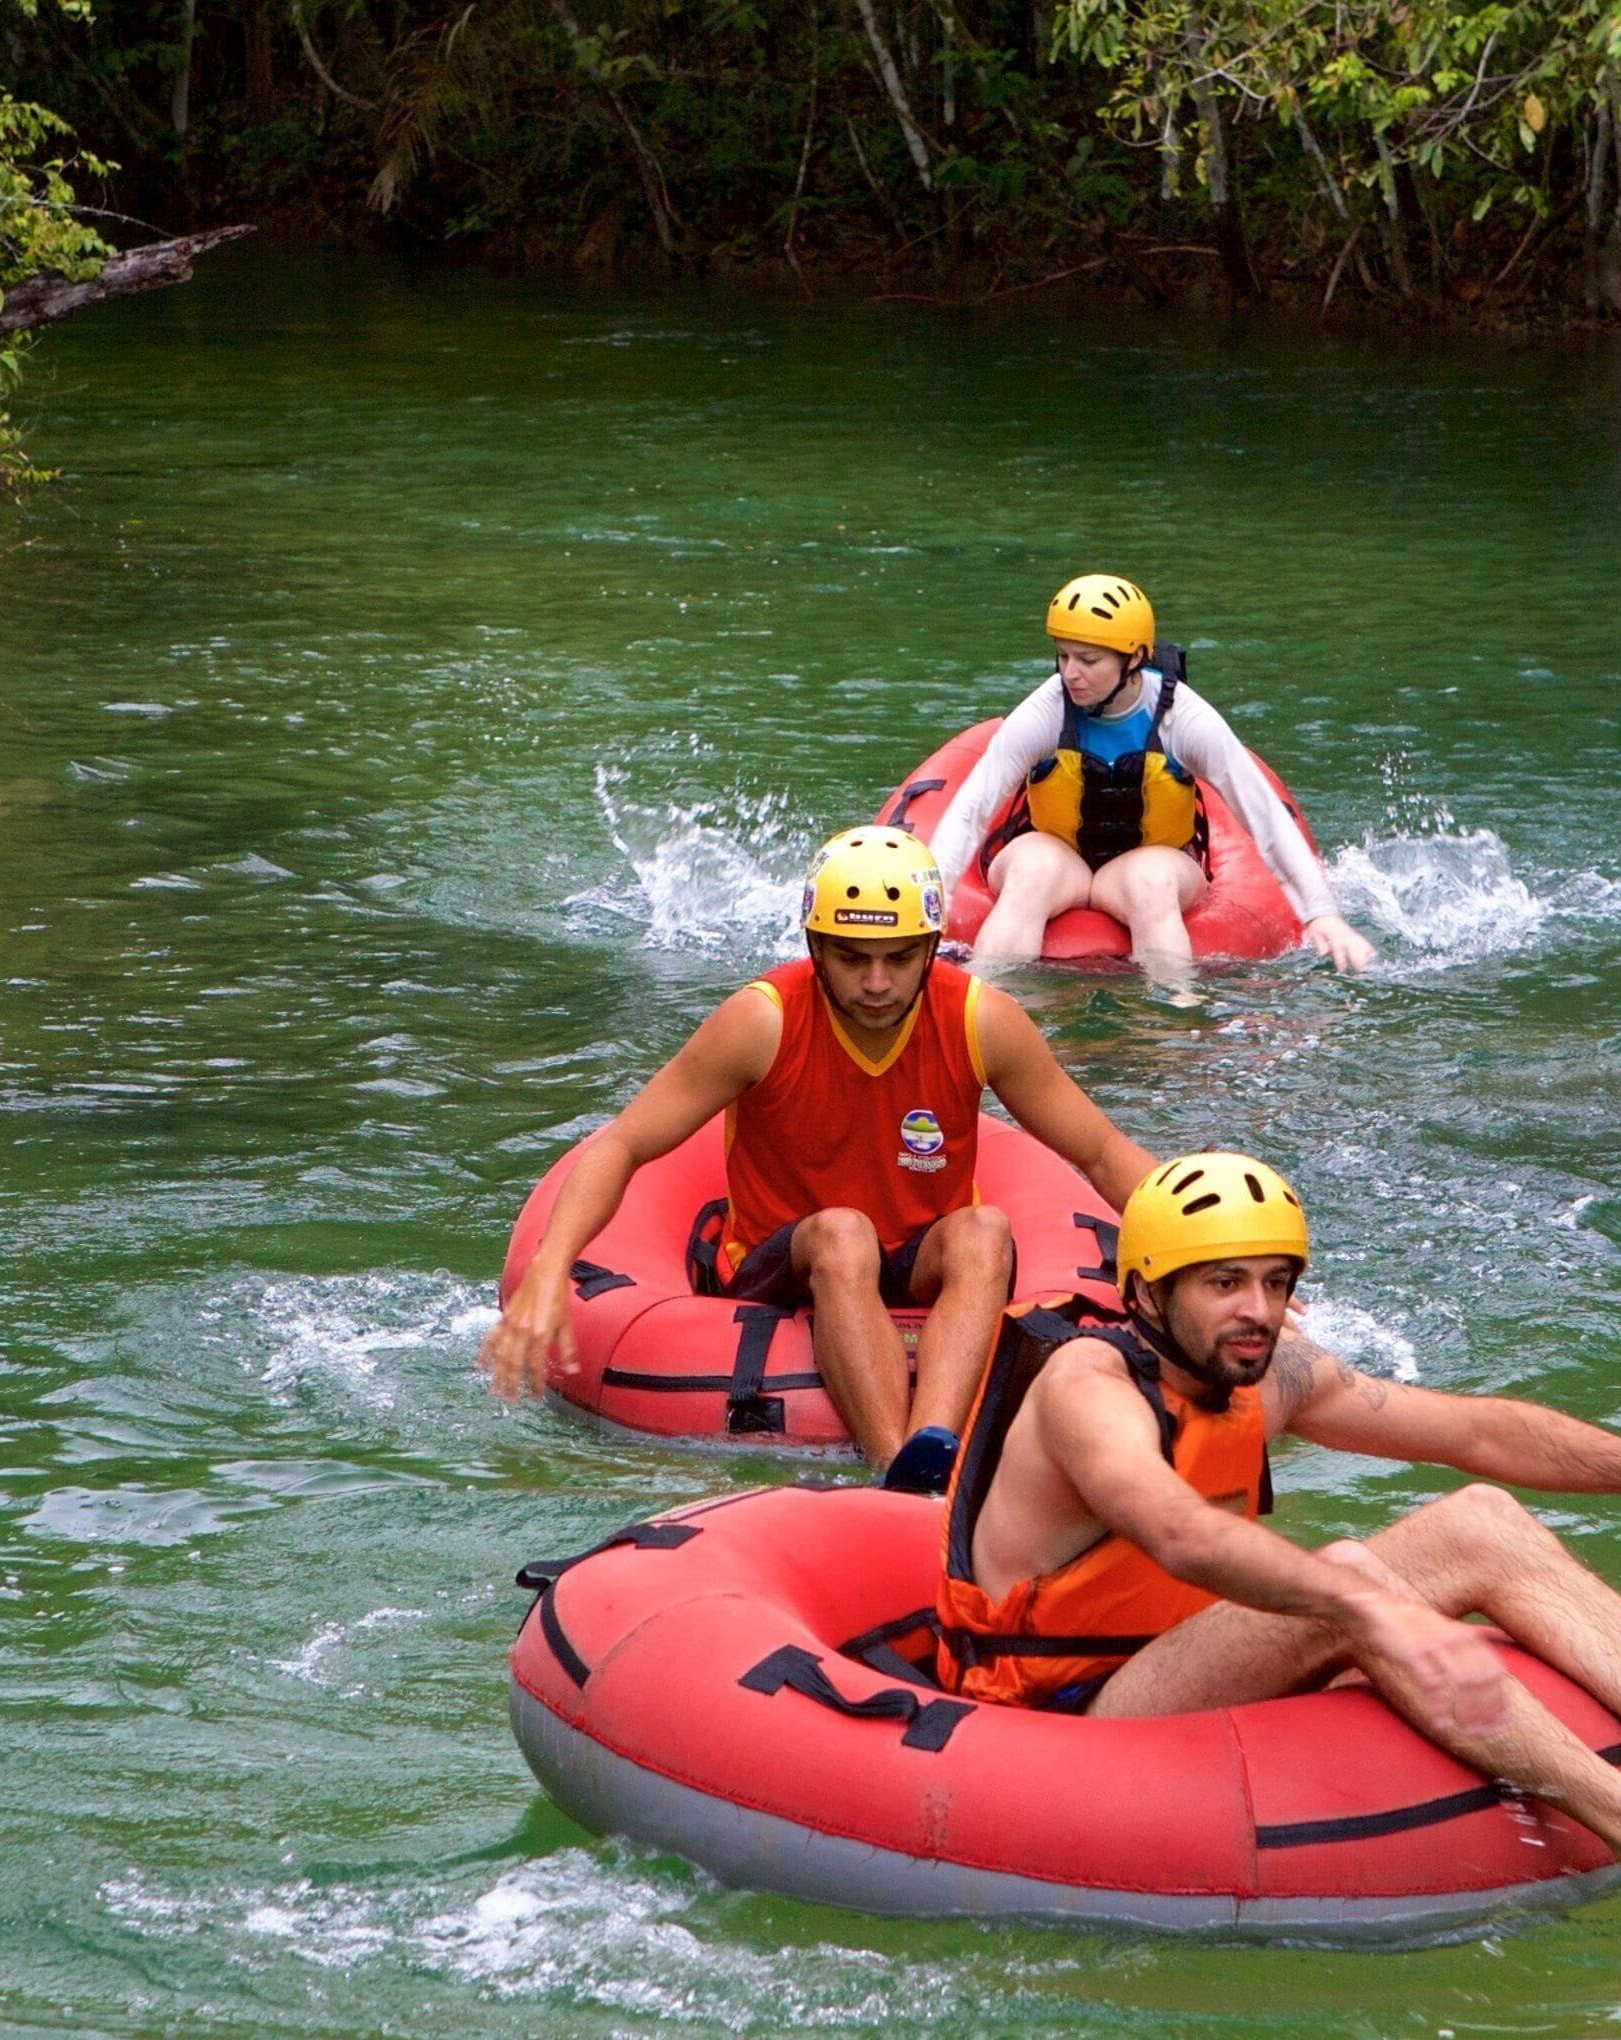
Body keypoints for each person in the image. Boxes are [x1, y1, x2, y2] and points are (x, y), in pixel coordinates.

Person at [932, 1151, 1621, 1924]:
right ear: (1147, 1293)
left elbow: (1476, 1430)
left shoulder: (1270, 1373)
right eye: (1224, 1284)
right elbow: (1174, 1532)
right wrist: (1362, 1604)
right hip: (1059, 1709)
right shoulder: (1089, 1386)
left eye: (1275, 1282)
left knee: (1476, 1520)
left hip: (1173, 1659)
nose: (1258, 1312)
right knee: (1350, 1572)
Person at [483, 827, 1157, 1493]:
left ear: (930, 950)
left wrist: (1217, 1251)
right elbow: (624, 1143)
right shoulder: (762, 1021)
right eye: (850, 958)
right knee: (843, 1231)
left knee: (984, 1231)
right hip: (788, 1257)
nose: (875, 983)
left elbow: (1099, 1151)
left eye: (898, 959)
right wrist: (550, 1265)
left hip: (914, 1256)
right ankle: (900, 1475)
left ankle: (936, 1452)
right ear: (814, 948)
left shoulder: (980, 1020)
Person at [925, 574, 1379, 976]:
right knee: (1030, 872)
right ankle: (988, 1023)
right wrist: (932, 900)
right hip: (1055, 855)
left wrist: (1322, 913)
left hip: (1151, 860)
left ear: (1135, 658)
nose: (1070, 674)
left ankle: (1167, 1042)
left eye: (1088, 660)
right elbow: (973, 807)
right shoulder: (1044, 712)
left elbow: (1262, 813)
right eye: (1063, 656)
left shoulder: (1183, 719)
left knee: (1151, 884)